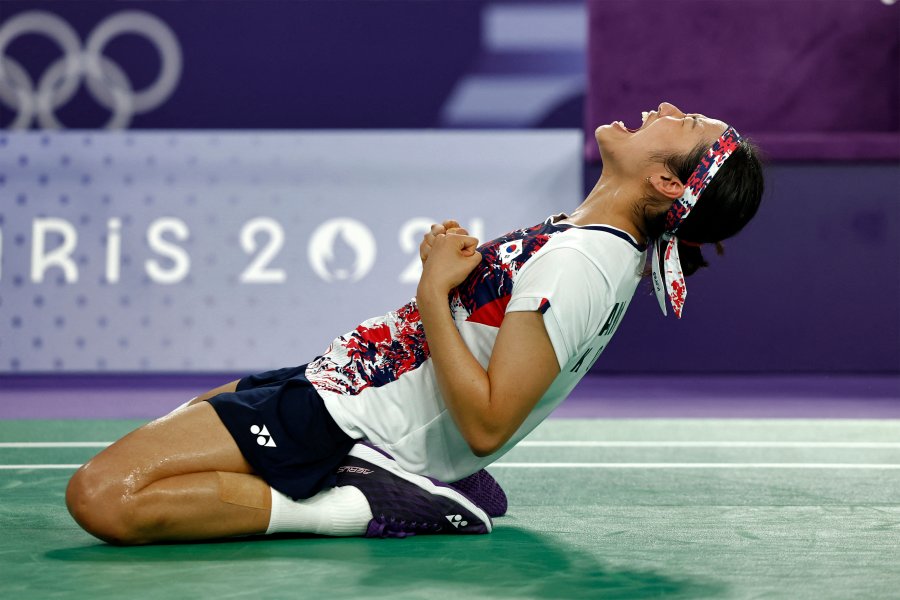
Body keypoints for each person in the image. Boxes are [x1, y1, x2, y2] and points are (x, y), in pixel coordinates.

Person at [66, 102, 764, 545]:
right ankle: (437, 480)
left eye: (687, 124)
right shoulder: (593, 243)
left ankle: (356, 503)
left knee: (104, 497)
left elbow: (489, 421)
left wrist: (433, 289)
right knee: (199, 409)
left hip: (360, 422)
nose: (668, 108)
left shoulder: (584, 262)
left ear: (670, 184)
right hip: (348, 383)